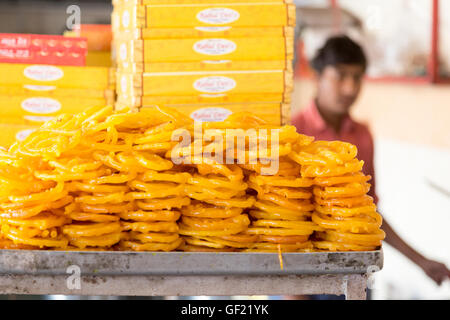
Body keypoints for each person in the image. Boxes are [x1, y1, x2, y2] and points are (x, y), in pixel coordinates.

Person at [292, 35, 450, 286]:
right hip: (296, 276)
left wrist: (421, 261)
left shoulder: (362, 137)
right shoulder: (292, 134)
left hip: (353, 274)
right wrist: (292, 288)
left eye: (357, 77)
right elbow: (279, 220)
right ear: (318, 76)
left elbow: (368, 212)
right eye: (341, 76)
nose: (350, 88)